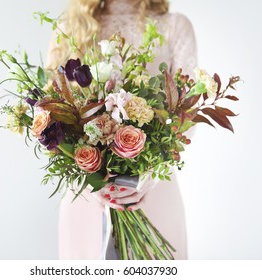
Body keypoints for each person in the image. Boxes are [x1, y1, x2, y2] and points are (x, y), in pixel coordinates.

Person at [46, 0, 197, 260]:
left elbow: (187, 115)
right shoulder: (69, 27)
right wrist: (92, 178)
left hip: (153, 192)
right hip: (86, 197)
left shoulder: (174, 26)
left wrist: (144, 178)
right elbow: (51, 111)